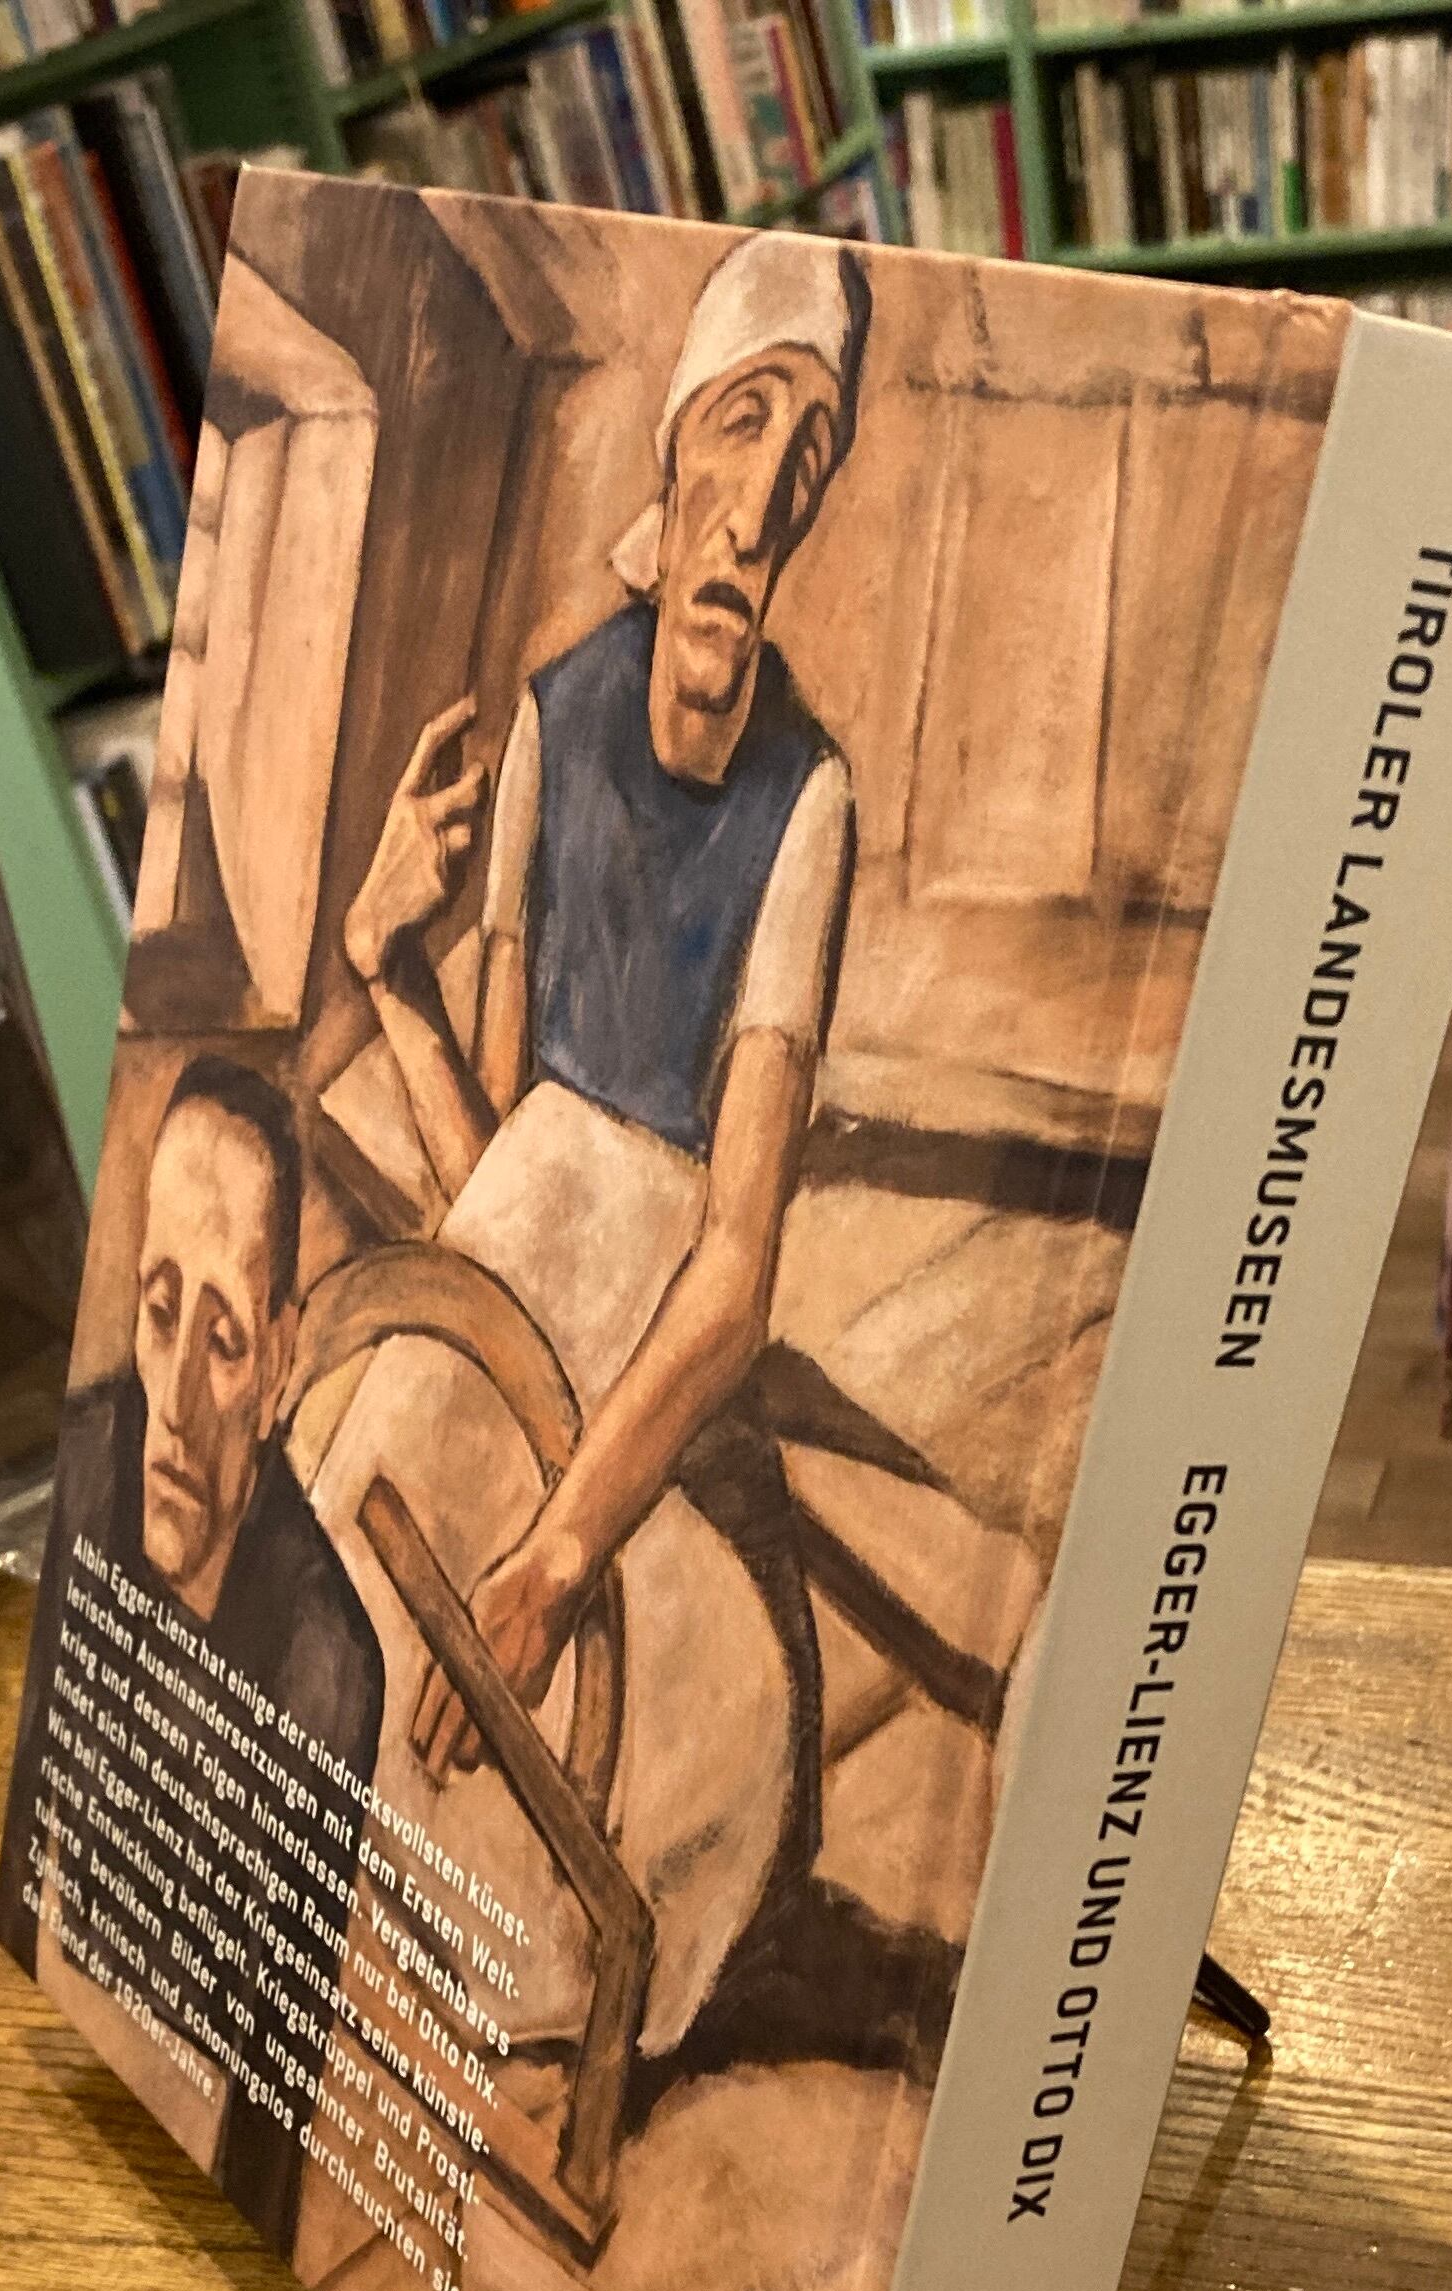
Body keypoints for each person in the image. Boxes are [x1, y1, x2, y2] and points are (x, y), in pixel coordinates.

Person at [336, 232, 867, 1903]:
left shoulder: (807, 805)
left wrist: (559, 1556)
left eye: (810, 452)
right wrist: (386, 975)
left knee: (692, 1768)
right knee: (345, 1619)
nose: (762, 500)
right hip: (514, 1332)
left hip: (656, 1415)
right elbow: (493, 1180)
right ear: (675, 436)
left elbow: (735, 1270)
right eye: (743, 420)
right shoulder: (552, 724)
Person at [0, 1055, 383, 2250]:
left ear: (279, 1362)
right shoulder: (83, 1473)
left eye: (222, 1341)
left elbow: (269, 2113)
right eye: (160, 1313)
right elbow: (16, 1881)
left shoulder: (327, 1663)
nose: (174, 1405)